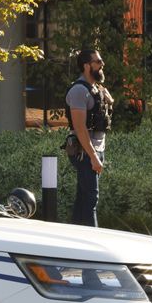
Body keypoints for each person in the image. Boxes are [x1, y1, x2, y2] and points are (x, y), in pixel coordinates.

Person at [65, 48, 113, 227]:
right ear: (87, 66)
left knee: (84, 197)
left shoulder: (95, 88)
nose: (102, 65)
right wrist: (93, 156)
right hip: (84, 151)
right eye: (98, 62)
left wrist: (108, 99)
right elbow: (79, 128)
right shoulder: (79, 90)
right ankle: (93, 242)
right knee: (91, 198)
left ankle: (73, 239)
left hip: (95, 149)